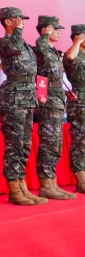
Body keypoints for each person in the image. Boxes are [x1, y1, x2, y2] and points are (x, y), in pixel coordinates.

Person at [0, 7, 47, 206]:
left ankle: (22, 185)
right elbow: (13, 48)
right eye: (18, 19)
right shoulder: (4, 42)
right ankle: (14, 188)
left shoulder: (24, 44)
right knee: (14, 144)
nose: (22, 23)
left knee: (25, 144)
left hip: (27, 95)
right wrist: (16, 30)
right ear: (8, 21)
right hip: (13, 97)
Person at [34, 16, 76, 200]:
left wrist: (66, 92)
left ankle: (52, 183)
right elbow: (40, 48)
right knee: (49, 142)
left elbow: (56, 79)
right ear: (46, 29)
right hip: (47, 101)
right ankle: (46, 184)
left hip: (57, 99)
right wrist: (44, 35)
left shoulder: (53, 52)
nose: (58, 32)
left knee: (56, 143)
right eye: (55, 29)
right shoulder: (40, 48)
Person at [63, 25, 85, 194]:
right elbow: (70, 57)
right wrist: (77, 42)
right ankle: (81, 179)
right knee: (80, 141)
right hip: (79, 102)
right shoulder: (73, 53)